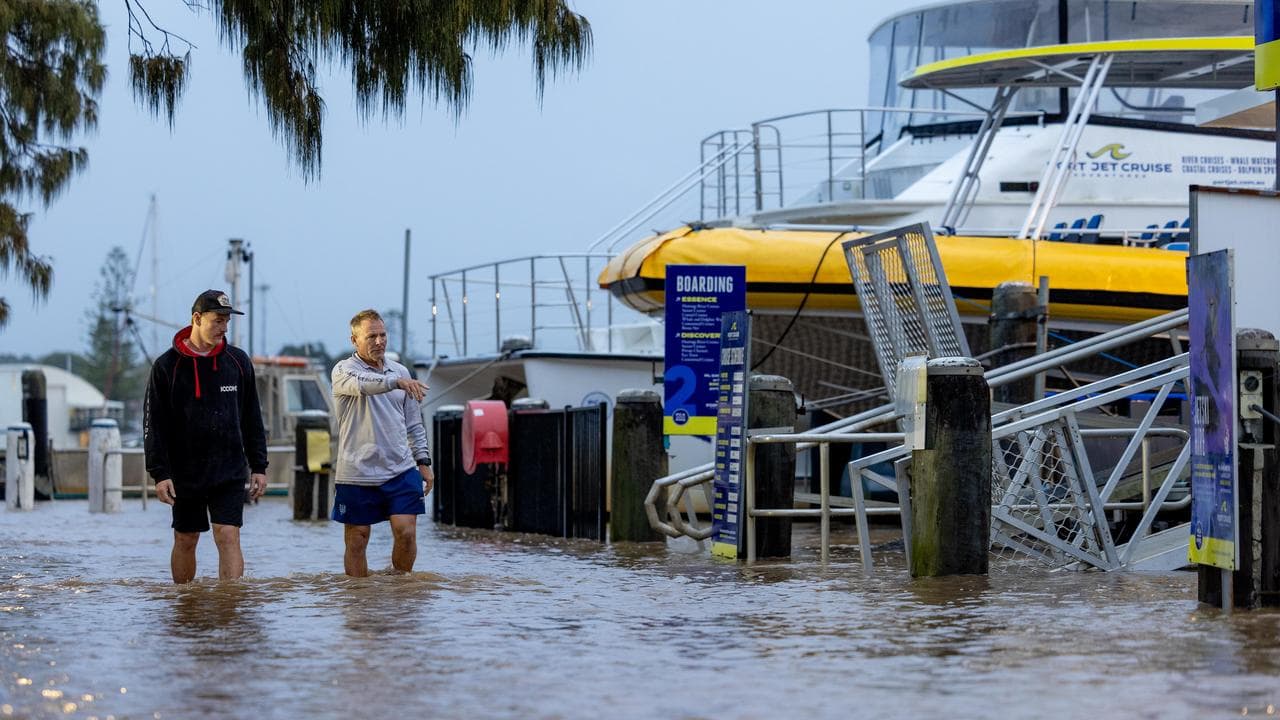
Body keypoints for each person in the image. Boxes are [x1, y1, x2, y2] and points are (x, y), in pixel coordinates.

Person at [144, 289, 269, 584]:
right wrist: (159, 473)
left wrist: (259, 466)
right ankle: (185, 604)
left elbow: (252, 417)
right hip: (184, 471)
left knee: (228, 535)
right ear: (197, 319)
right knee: (186, 538)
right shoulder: (166, 366)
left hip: (228, 468)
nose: (224, 328)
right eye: (218, 320)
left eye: (227, 321)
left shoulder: (237, 361)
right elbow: (153, 424)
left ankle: (231, 604)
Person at [331, 309, 433, 577]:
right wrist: (395, 382)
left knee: (407, 533)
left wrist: (423, 461)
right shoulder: (343, 370)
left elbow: (414, 423)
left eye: (382, 335)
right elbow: (365, 385)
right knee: (357, 539)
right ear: (354, 340)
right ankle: (359, 597)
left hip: (400, 468)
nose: (379, 341)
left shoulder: (401, 372)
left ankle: (398, 589)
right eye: (371, 336)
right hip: (356, 471)